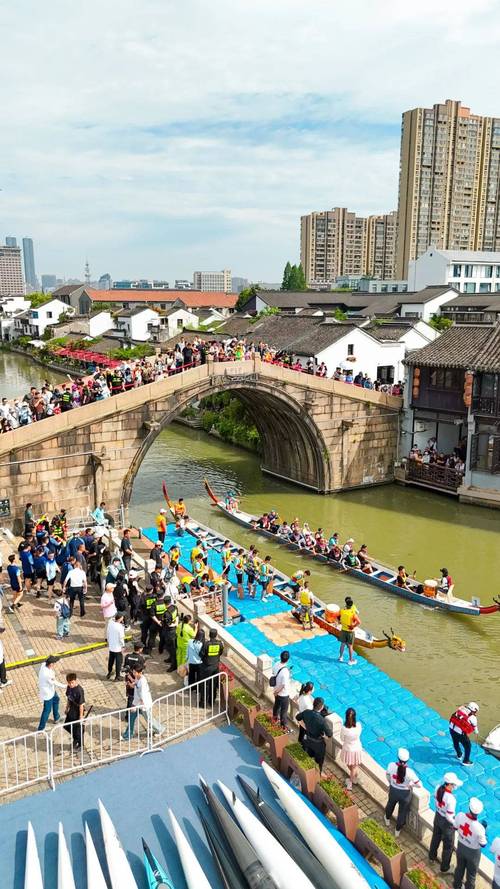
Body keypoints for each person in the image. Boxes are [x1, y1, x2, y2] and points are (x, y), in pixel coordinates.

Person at [429, 771, 464, 873]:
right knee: (448, 846)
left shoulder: (437, 789)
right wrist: (456, 825)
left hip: (438, 817)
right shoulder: (451, 799)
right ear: (449, 784)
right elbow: (449, 816)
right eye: (453, 785)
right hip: (447, 824)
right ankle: (445, 868)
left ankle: (431, 857)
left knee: (435, 838)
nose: (454, 787)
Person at [384, 748, 421, 836]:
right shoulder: (410, 772)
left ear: (398, 758)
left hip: (393, 790)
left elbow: (387, 775)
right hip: (405, 795)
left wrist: (391, 783)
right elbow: (419, 785)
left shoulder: (391, 765)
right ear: (407, 760)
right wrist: (410, 785)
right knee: (402, 812)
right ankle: (397, 830)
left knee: (390, 805)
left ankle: (387, 819)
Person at [453, 798, 487, 889]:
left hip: (460, 846)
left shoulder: (460, 815)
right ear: (479, 813)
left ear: (469, 807)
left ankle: (456, 886)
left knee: (459, 868)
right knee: (471, 875)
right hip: (473, 853)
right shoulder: (480, 828)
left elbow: (455, 827)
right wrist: (484, 830)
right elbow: (483, 844)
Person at [122, 664, 162, 740]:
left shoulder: (142, 682)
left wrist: (134, 706)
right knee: (131, 718)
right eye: (133, 672)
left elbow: (142, 697)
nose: (133, 674)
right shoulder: (138, 677)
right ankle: (127, 735)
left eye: (135, 672)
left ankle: (159, 729)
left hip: (143, 705)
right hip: (137, 703)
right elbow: (135, 683)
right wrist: (129, 680)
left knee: (149, 720)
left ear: (140, 672)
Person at [296, 696, 333, 773]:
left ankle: (307, 773)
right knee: (319, 763)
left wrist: (305, 726)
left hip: (308, 741)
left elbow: (297, 717)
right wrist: (324, 736)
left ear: (313, 704)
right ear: (322, 707)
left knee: (308, 758)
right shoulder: (322, 720)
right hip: (318, 745)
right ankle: (316, 776)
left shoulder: (306, 712)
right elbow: (329, 734)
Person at [37, 655, 66, 730]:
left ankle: (57, 717)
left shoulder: (44, 665)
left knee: (56, 700)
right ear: (51, 664)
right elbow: (54, 682)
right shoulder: (47, 674)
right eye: (54, 663)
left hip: (51, 691)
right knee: (47, 710)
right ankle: (40, 728)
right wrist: (65, 686)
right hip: (48, 694)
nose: (54, 664)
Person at [200, 628, 224, 707]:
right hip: (215, 667)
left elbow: (201, 654)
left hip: (207, 667)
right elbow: (220, 653)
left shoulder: (206, 644)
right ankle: (212, 701)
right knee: (213, 684)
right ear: (216, 635)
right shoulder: (220, 644)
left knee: (205, 684)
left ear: (209, 635)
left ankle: (203, 702)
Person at [449, 702, 479, 766]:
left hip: (451, 729)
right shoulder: (473, 717)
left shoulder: (461, 709)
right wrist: (476, 732)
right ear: (474, 710)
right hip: (460, 733)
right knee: (468, 746)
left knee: (455, 742)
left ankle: (459, 755)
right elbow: (475, 727)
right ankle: (466, 761)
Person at [340, 707, 363, 789]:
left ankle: (350, 782)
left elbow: (342, 739)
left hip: (348, 749)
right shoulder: (359, 726)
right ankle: (354, 777)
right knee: (354, 767)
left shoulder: (344, 729)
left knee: (350, 765)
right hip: (357, 748)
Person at [63, 672, 85, 750]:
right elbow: (69, 698)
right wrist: (67, 708)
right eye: (69, 683)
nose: (71, 684)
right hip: (71, 709)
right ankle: (76, 738)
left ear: (75, 681)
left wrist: (81, 716)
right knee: (66, 726)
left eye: (72, 682)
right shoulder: (69, 687)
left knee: (77, 729)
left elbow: (81, 705)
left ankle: (80, 744)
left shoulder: (79, 690)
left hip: (77, 710)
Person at [271, 650, 291, 731]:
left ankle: (274, 719)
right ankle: (283, 727)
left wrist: (275, 692)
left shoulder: (276, 664)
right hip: (283, 694)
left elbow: (274, 673)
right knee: (284, 712)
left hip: (276, 689)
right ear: (288, 659)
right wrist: (277, 692)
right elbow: (283, 685)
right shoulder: (285, 671)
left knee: (276, 706)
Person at [338, 596, 360, 665]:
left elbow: (338, 618)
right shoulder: (353, 613)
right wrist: (353, 626)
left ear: (346, 604)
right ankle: (350, 660)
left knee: (342, 644)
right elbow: (359, 622)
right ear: (352, 605)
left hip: (343, 630)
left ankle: (340, 657)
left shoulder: (342, 610)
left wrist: (341, 622)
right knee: (350, 646)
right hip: (350, 631)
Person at [124, 643, 145, 711]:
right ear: (140, 649)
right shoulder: (141, 658)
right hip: (137, 679)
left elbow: (125, 667)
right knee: (136, 696)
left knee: (130, 696)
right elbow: (142, 670)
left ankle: (129, 713)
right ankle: (131, 713)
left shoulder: (127, 656)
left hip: (128, 678)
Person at [106, 613, 125, 681]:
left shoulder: (110, 623)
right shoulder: (120, 627)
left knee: (111, 660)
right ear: (120, 618)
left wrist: (109, 642)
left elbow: (107, 633)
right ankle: (117, 676)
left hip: (111, 646)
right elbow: (121, 638)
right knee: (118, 662)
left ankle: (109, 672)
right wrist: (123, 646)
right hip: (117, 648)